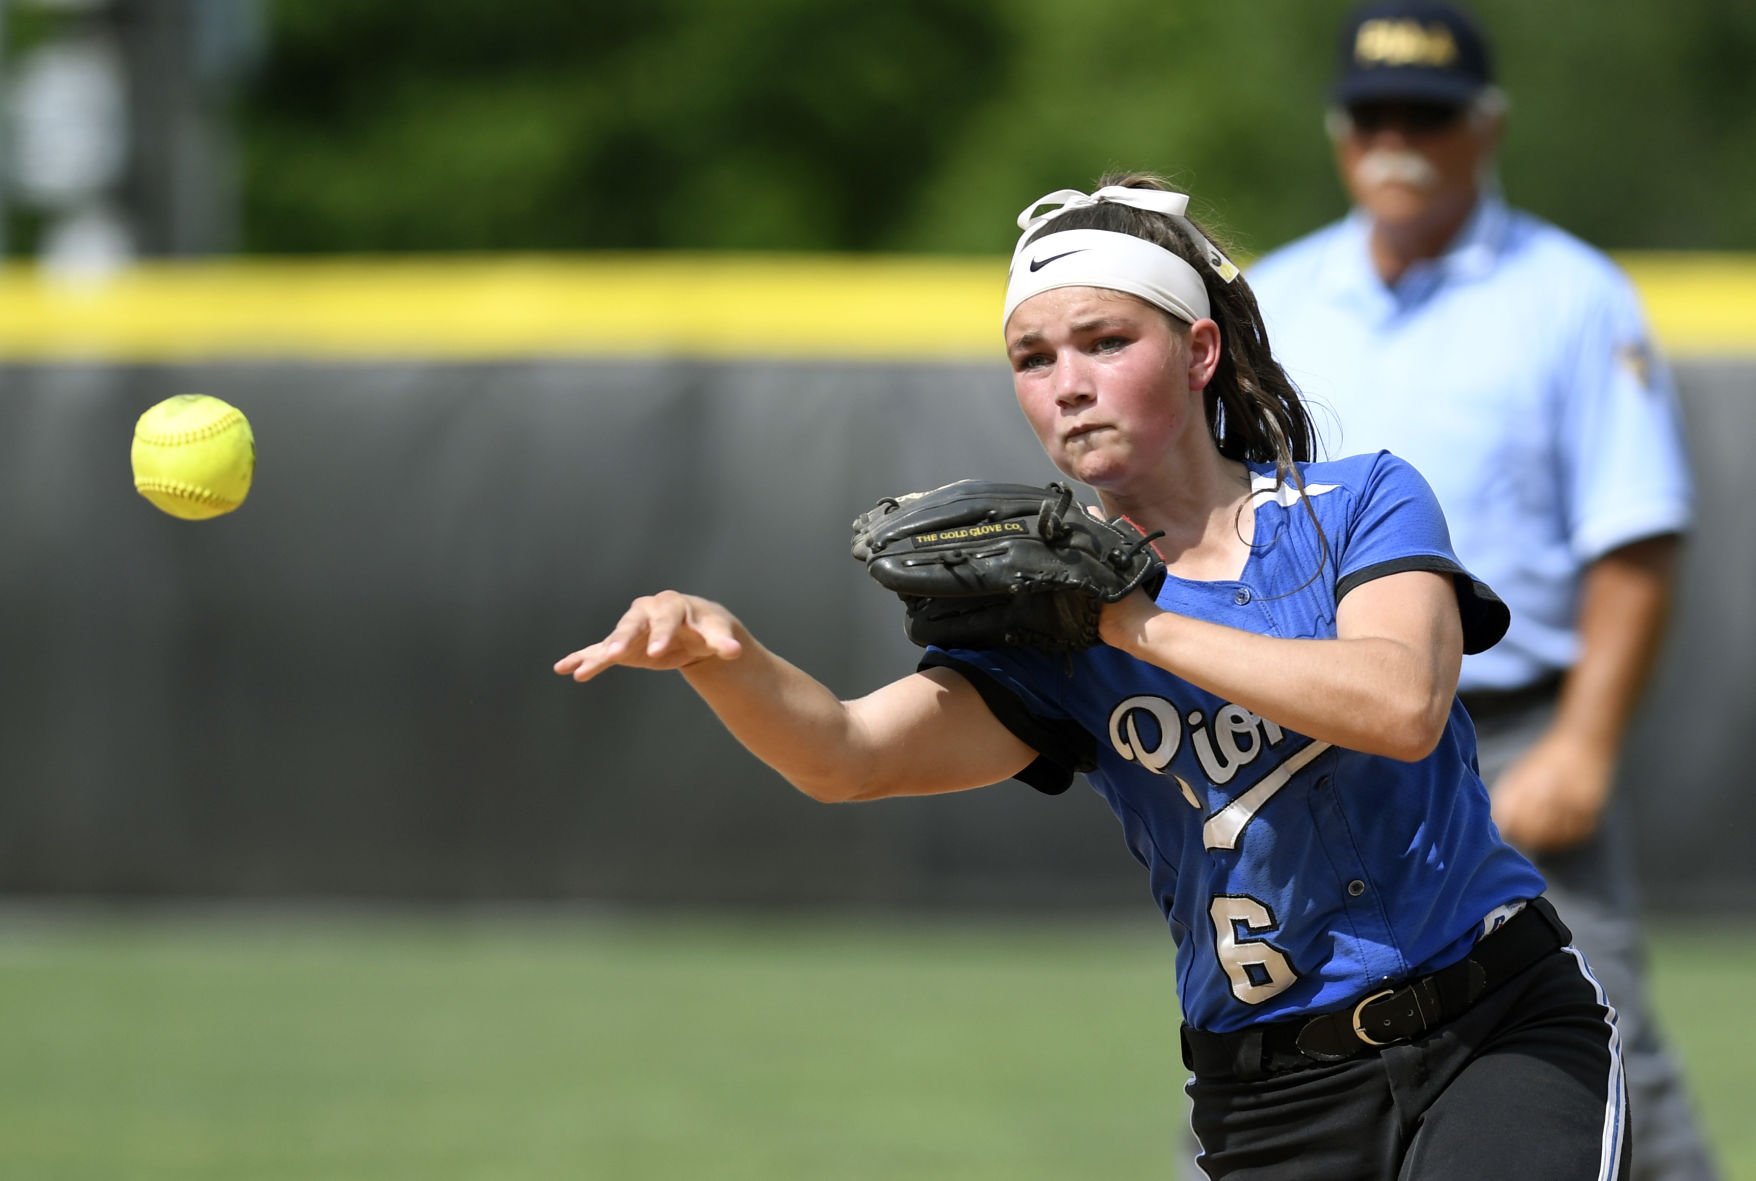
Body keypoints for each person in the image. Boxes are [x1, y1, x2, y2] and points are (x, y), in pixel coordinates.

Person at [556, 176, 1630, 1179]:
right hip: (1271, 1092)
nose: (1067, 383)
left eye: (1105, 342)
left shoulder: (1358, 503)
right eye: (1032, 358)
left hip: (1497, 1024)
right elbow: (845, 754)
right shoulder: (1042, 624)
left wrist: (1133, 622)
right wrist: (726, 658)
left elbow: (1397, 705)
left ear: (1199, 349)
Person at [1246, 4, 1713, 1179]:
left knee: (1595, 1044)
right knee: (1273, 1043)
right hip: (1313, 743)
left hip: (1506, 735)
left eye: (1429, 114)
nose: (1397, 136)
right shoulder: (1275, 301)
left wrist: (1585, 743)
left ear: (1485, 127)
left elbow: (1634, 539)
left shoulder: (1568, 296)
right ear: (1339, 131)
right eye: (1372, 113)